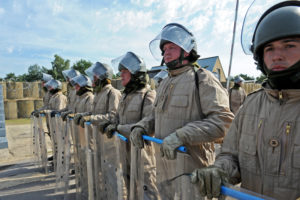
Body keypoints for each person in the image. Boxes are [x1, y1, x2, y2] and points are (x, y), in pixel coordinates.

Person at [190, 1, 300, 199]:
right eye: (269, 49)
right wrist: (220, 171)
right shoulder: (251, 105)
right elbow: (230, 155)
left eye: (289, 45)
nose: (277, 56)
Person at [131, 23, 234, 199]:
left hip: (192, 174)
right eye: (164, 49)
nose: (166, 53)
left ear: (186, 51)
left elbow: (224, 122)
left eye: (171, 47)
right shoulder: (164, 83)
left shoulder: (201, 78)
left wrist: (182, 135)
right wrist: (141, 127)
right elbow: (155, 115)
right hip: (163, 171)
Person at [104, 52, 159, 199]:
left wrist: (118, 128)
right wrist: (111, 124)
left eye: (124, 72)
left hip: (143, 157)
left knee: (148, 192)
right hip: (125, 154)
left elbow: (149, 126)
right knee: (130, 191)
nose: (121, 75)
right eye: (120, 72)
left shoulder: (148, 95)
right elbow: (117, 118)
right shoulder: (125, 96)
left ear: (135, 74)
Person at [78, 62, 121, 199]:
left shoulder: (113, 93)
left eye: (95, 76)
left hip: (110, 143)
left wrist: (92, 118)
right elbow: (95, 112)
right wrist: (85, 115)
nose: (93, 79)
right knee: (102, 175)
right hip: (99, 142)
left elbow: (112, 116)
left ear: (103, 76)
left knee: (113, 178)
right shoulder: (99, 94)